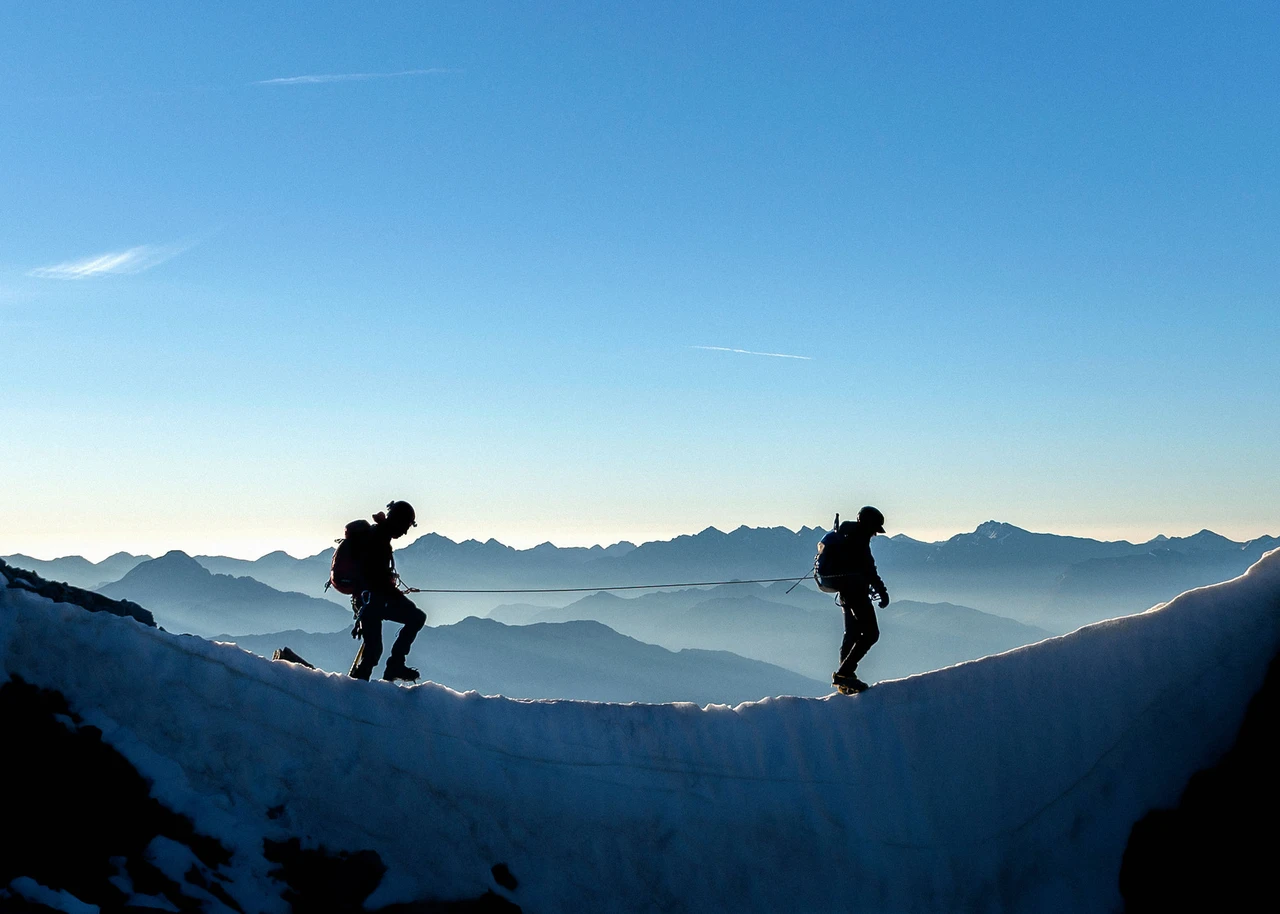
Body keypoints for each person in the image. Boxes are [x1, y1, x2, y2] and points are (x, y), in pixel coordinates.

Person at [346, 500, 426, 682]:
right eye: (405, 525)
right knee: (415, 618)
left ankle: (364, 681)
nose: (405, 531)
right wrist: (395, 594)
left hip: (370, 600)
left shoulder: (378, 535)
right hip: (372, 601)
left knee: (373, 649)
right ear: (397, 520)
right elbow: (377, 578)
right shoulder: (379, 539)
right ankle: (389, 669)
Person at [814, 506, 890, 694]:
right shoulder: (859, 540)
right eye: (875, 529)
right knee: (871, 634)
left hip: (845, 592)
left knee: (852, 633)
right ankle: (844, 674)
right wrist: (882, 591)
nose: (875, 534)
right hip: (856, 592)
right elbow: (869, 569)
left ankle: (845, 678)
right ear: (868, 525)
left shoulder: (846, 536)